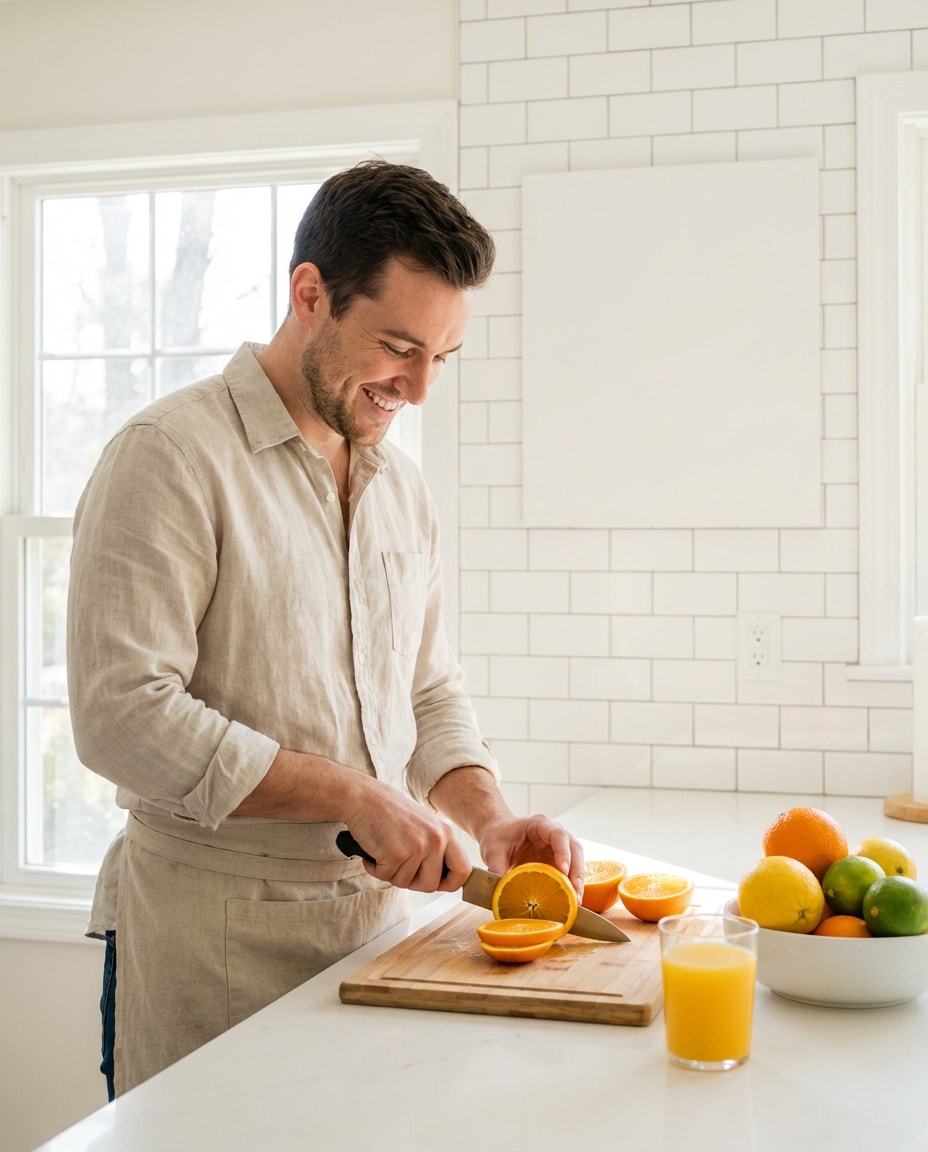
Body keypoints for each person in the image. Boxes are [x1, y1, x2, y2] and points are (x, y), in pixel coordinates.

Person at [67, 159, 584, 1100]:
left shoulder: (400, 486)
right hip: (211, 958)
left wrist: (489, 816)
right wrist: (349, 792)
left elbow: (426, 689)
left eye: (442, 357)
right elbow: (120, 716)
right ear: (310, 293)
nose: (419, 389)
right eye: (398, 347)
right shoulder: (170, 458)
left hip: (383, 943)